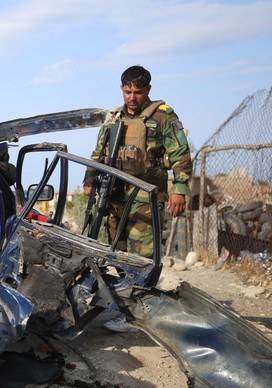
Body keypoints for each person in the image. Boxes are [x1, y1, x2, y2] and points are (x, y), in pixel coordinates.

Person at [83, 65, 192, 332]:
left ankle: (141, 315)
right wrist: (89, 177)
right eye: (128, 91)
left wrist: (180, 189)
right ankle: (125, 307)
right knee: (117, 254)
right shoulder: (114, 118)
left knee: (141, 257)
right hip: (116, 196)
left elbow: (181, 154)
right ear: (121, 88)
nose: (132, 97)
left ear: (148, 91)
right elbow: (98, 153)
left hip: (146, 197)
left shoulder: (163, 116)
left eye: (138, 92)